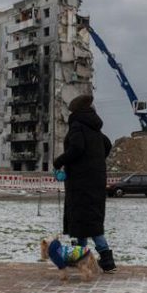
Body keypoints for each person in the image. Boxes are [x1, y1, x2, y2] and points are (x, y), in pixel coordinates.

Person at [53, 94, 116, 273]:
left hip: (80, 183)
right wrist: (95, 162)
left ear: (76, 112)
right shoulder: (95, 129)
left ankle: (82, 258)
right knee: (92, 222)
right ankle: (105, 260)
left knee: (80, 221)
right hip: (96, 181)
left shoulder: (78, 127)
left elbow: (77, 148)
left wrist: (59, 161)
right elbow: (107, 145)